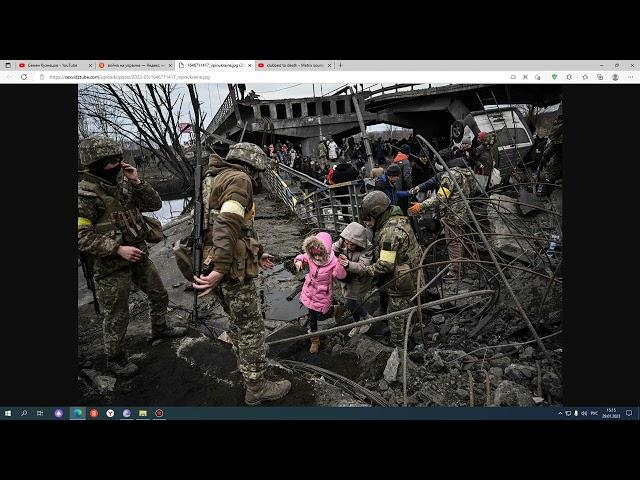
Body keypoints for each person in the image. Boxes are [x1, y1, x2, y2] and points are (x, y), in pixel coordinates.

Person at [191, 142, 291, 405]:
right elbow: (227, 224)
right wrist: (223, 268)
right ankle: (257, 386)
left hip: (214, 258)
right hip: (229, 265)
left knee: (236, 320)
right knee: (250, 326)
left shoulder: (213, 177)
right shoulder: (239, 179)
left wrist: (257, 253)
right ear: (251, 166)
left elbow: (227, 226)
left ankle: (246, 367)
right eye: (258, 172)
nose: (257, 178)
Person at [78, 136, 186, 377]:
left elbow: (155, 204)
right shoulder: (85, 196)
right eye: (111, 162)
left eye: (119, 159)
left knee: (159, 293)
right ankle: (115, 358)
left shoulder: (123, 185)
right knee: (117, 313)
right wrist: (117, 249)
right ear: (95, 164)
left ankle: (160, 328)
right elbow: (81, 236)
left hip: (138, 255)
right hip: (110, 265)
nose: (117, 165)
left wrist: (136, 181)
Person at [361, 191, 422, 347]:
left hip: (401, 281)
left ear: (376, 213)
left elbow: (386, 265)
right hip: (412, 272)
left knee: (396, 314)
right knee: (407, 308)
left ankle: (399, 346)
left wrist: (364, 270)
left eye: (368, 218)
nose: (367, 223)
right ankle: (409, 331)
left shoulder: (389, 233)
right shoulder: (398, 217)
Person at [409, 162, 478, 281]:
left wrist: (421, 206)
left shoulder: (449, 177)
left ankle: (456, 272)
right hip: (463, 212)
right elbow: (473, 191)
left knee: (453, 242)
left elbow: (440, 198)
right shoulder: (466, 173)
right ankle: (462, 264)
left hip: (452, 215)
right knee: (459, 239)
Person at [295, 232, 347, 353]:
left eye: (319, 255)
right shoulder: (311, 256)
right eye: (313, 255)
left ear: (326, 251)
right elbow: (302, 257)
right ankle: (315, 340)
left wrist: (340, 264)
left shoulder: (334, 261)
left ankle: (335, 310)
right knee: (312, 316)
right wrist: (298, 261)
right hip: (309, 291)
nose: (316, 258)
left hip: (323, 294)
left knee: (322, 315)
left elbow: (339, 275)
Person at [332, 223, 374, 337]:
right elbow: (331, 250)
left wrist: (348, 264)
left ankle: (367, 318)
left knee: (350, 302)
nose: (349, 246)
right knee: (352, 301)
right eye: (347, 243)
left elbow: (363, 267)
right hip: (346, 277)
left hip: (360, 279)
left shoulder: (367, 247)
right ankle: (357, 323)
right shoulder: (344, 240)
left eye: (352, 245)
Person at [331, 156, 360, 220]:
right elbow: (357, 174)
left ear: (339, 162)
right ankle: (357, 217)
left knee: (344, 206)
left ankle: (346, 219)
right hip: (352, 189)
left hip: (342, 191)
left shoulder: (336, 171)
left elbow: (334, 179)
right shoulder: (351, 168)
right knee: (354, 204)